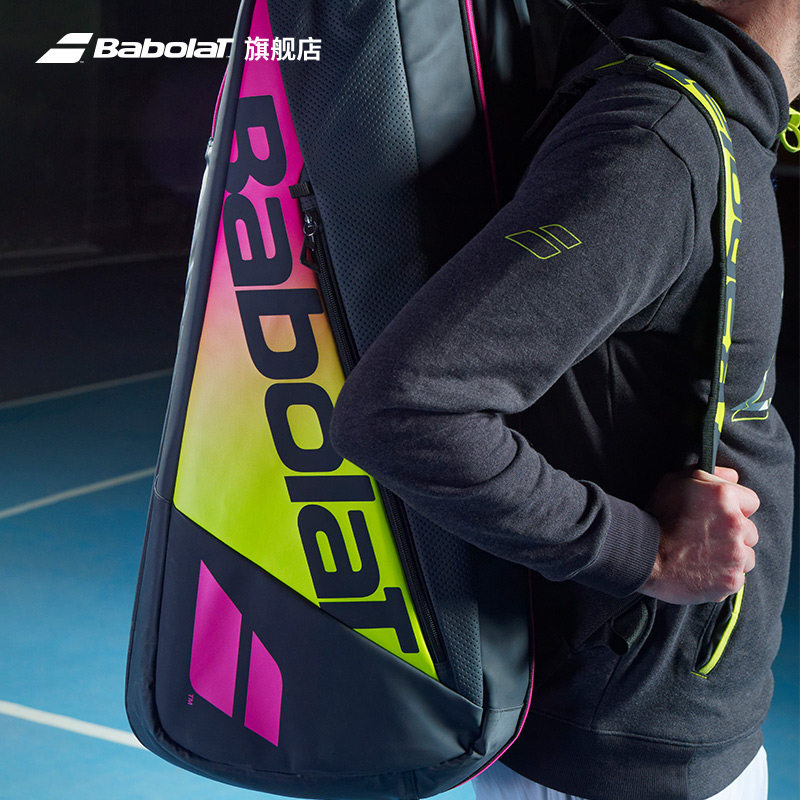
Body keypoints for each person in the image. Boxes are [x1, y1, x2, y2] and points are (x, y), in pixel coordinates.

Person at [329, 0, 797, 798]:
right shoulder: (659, 143)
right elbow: (404, 411)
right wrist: (644, 552)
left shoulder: (708, 122)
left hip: (672, 725)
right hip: (619, 753)